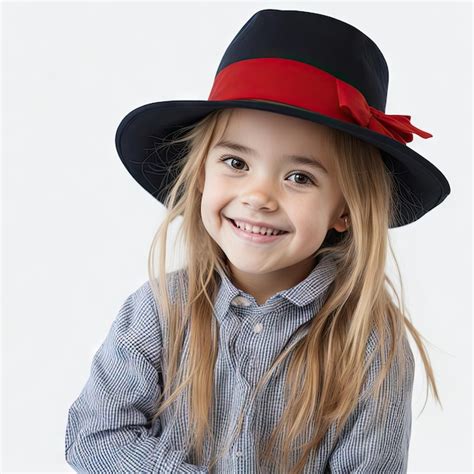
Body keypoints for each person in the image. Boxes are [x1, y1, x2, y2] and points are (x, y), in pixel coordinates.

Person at [64, 8, 450, 474]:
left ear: (346, 209)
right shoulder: (160, 310)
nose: (259, 196)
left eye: (299, 176)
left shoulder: (369, 346)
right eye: (237, 163)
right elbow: (96, 436)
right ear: (201, 174)